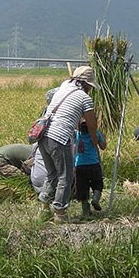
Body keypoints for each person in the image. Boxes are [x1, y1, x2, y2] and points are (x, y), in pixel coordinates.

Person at [38, 66, 100, 223]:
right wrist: (95, 139)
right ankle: (60, 213)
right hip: (59, 138)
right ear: (86, 84)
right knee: (66, 177)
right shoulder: (84, 98)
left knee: (52, 174)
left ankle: (44, 208)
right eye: (91, 86)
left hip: (43, 136)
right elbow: (92, 125)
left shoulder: (65, 85)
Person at [75, 120, 106, 217]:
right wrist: (103, 137)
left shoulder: (77, 135)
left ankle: (85, 212)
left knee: (82, 188)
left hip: (80, 165)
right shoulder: (96, 133)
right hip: (94, 164)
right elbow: (103, 146)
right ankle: (95, 199)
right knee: (97, 183)